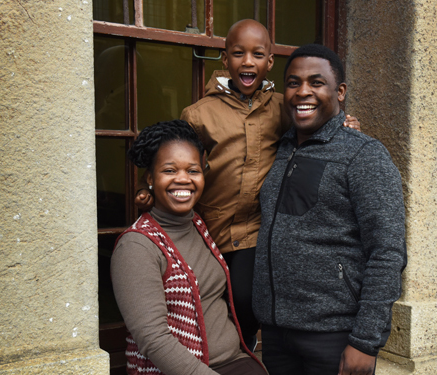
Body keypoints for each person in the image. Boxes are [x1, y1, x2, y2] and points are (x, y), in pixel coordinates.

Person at [135, 19, 359, 349]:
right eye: (238, 53)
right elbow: (173, 157)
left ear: (270, 62)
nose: (248, 61)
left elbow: (313, 118)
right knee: (204, 297)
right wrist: (148, 188)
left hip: (256, 228)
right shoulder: (199, 114)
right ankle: (208, 358)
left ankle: (245, 354)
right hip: (211, 225)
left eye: (258, 54)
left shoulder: (282, 106)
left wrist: (344, 121)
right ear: (225, 59)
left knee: (246, 296)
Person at [112, 120, 311, 375]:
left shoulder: (199, 224)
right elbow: (155, 343)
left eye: (192, 170)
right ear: (150, 177)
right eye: (169, 170)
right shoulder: (137, 247)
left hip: (232, 363)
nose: (183, 180)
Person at [252, 44, 407, 375]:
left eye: (316, 83)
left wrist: (365, 341)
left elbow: (387, 252)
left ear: (340, 92)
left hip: (335, 339)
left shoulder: (363, 155)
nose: (303, 92)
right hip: (280, 338)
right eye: (294, 82)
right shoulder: (282, 150)